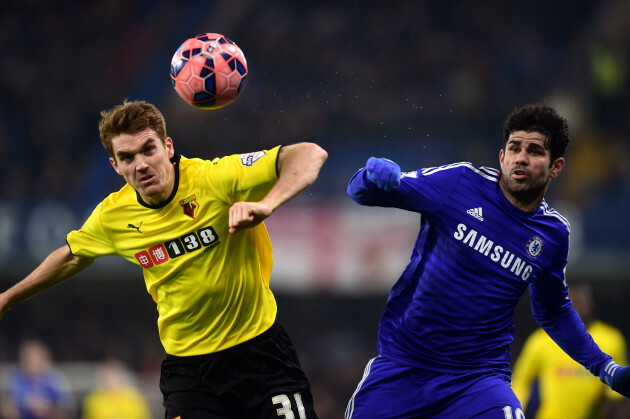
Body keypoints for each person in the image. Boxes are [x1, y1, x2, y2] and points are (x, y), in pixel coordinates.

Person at [0, 100, 328, 419]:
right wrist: (8, 298)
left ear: (168, 147)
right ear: (115, 165)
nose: (140, 164)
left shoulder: (214, 179)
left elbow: (309, 154)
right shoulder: (112, 216)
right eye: (126, 157)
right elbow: (72, 256)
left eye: (148, 149)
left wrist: (267, 204)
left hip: (262, 356)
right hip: (191, 374)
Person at [344, 103, 630, 418]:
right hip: (404, 368)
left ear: (556, 167)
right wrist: (370, 177)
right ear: (502, 157)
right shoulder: (460, 182)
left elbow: (554, 312)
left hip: (477, 382)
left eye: (535, 151)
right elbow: (363, 192)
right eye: (515, 148)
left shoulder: (553, 234)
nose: (521, 157)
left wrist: (606, 369)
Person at [512, 282, 629, 418]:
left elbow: (616, 395)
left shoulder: (611, 339)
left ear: (592, 303)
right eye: (572, 300)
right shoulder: (541, 340)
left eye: (582, 300)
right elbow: (521, 379)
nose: (577, 305)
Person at [1, 339, 75, 419]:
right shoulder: (15, 380)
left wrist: (48, 408)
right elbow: (6, 411)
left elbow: (67, 411)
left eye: (35, 358)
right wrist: (25, 407)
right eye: (28, 359)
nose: (32, 363)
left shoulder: (55, 380)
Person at [82, 358, 152, 419]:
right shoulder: (94, 400)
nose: (110, 380)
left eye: (113, 376)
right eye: (107, 377)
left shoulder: (135, 398)